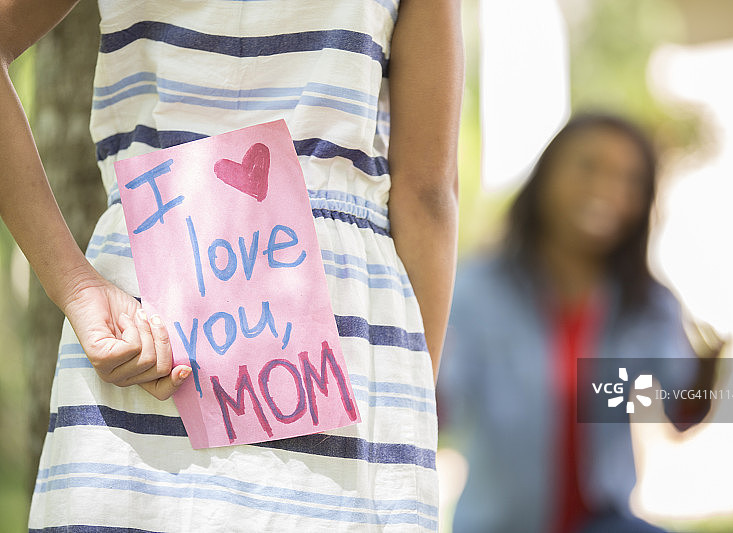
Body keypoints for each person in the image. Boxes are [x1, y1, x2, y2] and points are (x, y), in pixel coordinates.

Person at [1, 0, 462, 530]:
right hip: (342, 327)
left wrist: (75, 284)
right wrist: (407, 402)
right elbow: (426, 191)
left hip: (150, 299)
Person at [438, 113, 713, 533]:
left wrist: (707, 370)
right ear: (546, 176)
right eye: (588, 167)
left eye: (631, 180)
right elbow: (444, 408)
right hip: (497, 524)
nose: (609, 190)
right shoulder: (478, 288)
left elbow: (678, 417)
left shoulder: (647, 303)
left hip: (604, 522)